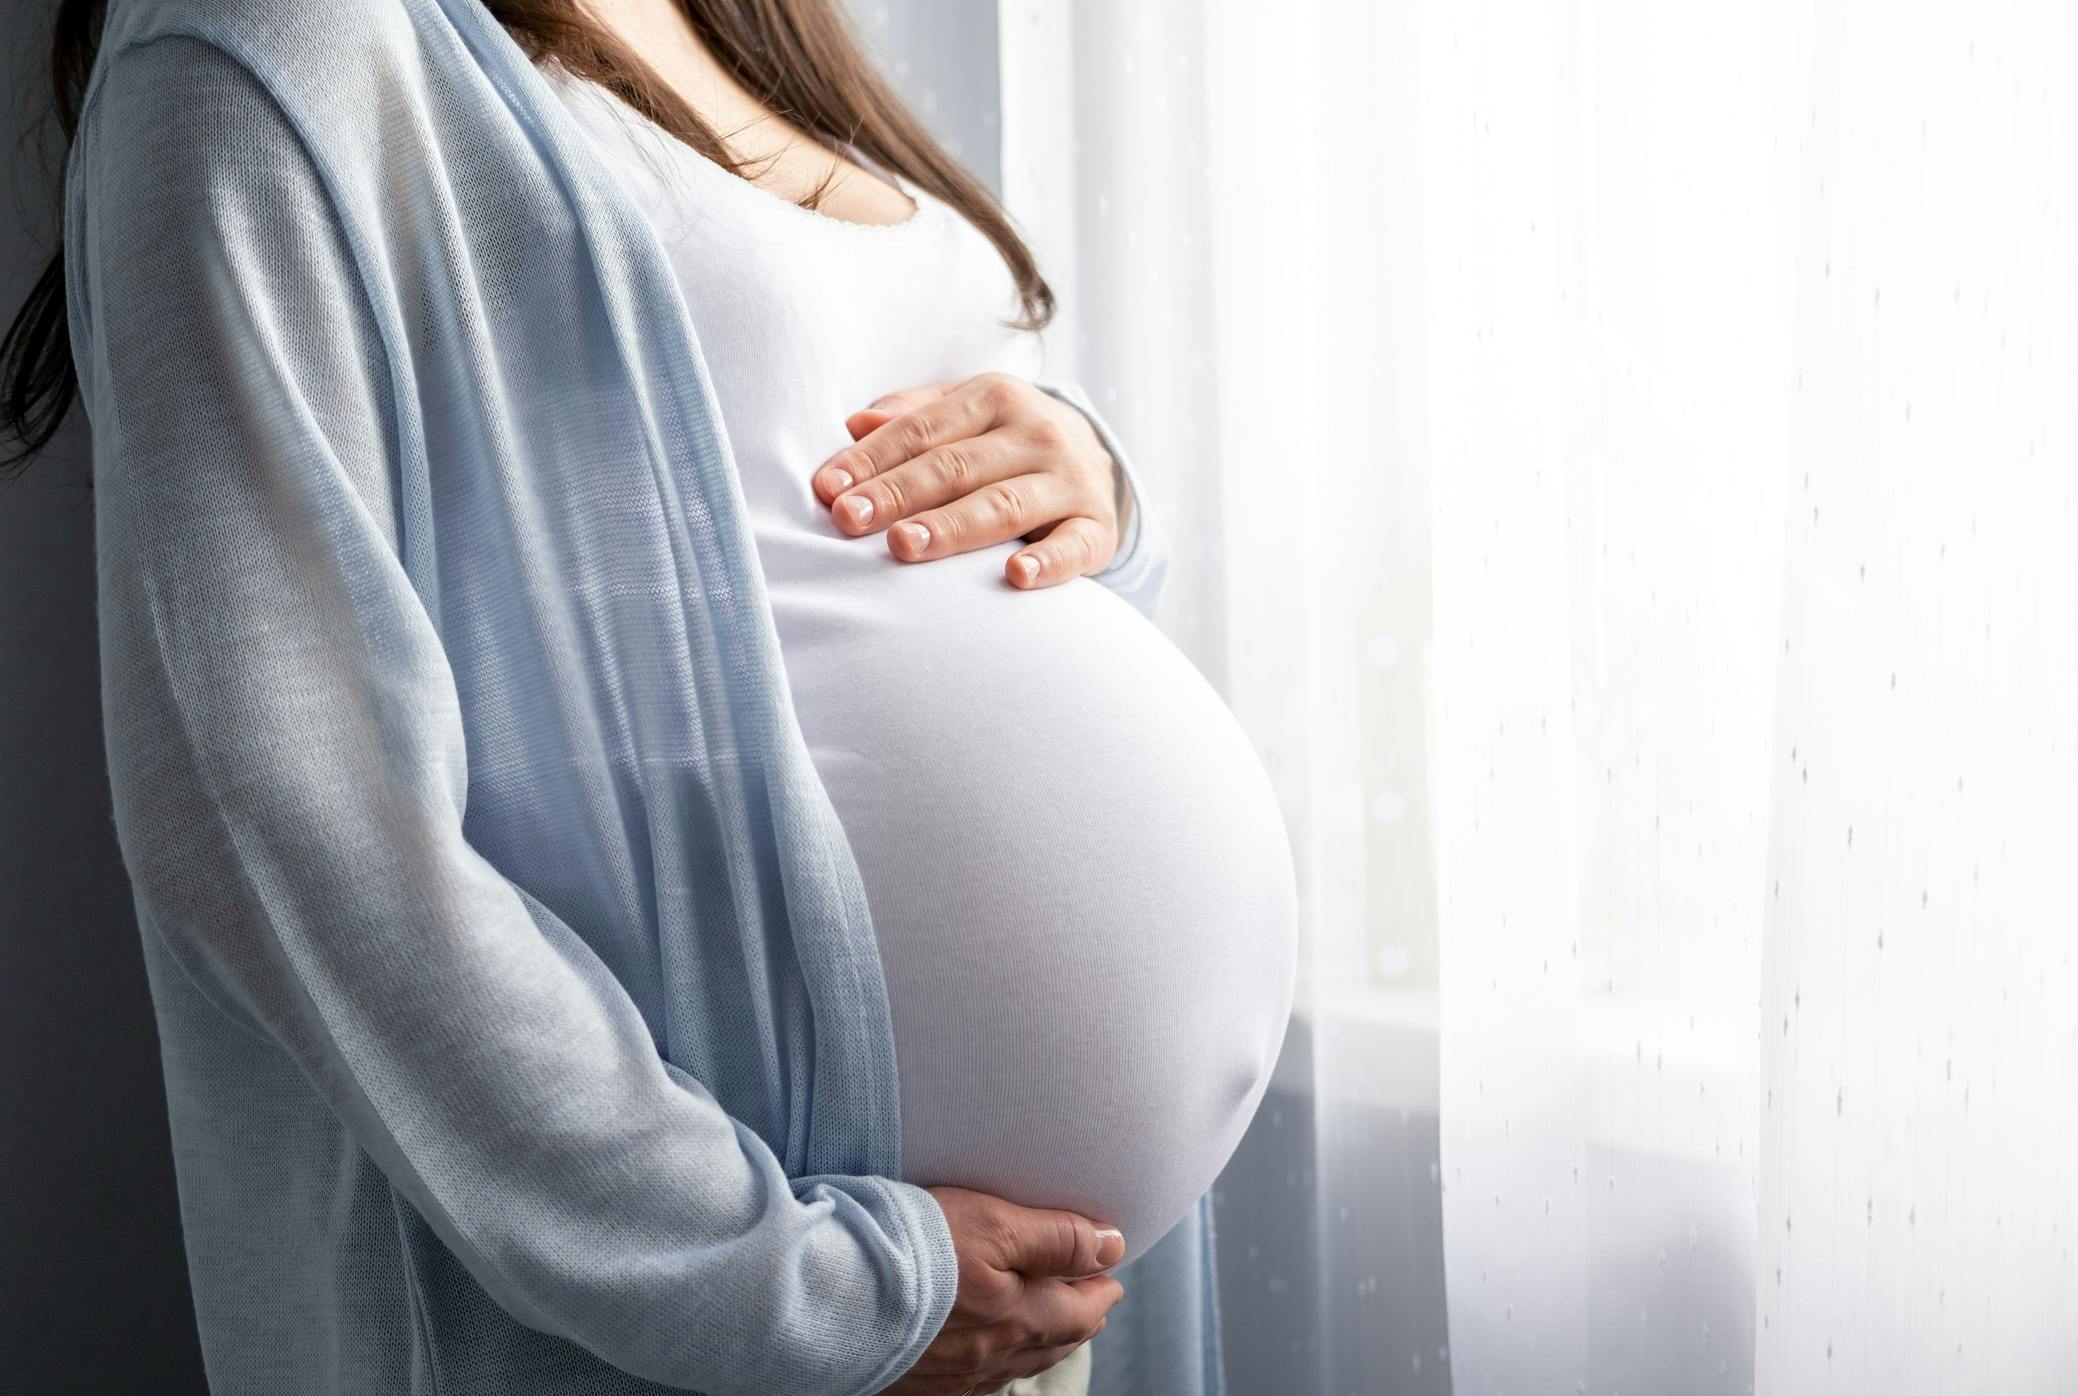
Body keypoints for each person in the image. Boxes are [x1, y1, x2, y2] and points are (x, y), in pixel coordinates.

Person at [1, 1, 1297, 1392]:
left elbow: (859, 492)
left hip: (996, 1308)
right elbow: (271, 808)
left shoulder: (752, 22)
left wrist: (1086, 478)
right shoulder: (274, 42)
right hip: (717, 1310)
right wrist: (791, 1291)